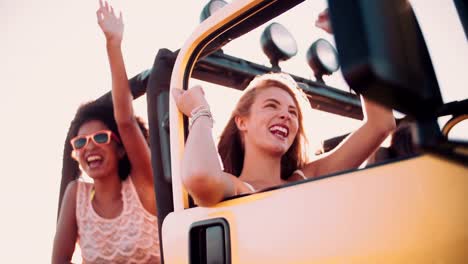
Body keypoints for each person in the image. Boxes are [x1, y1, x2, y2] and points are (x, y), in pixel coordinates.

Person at [172, 11, 396, 206]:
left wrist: (350, 35)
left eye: (293, 112)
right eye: (271, 105)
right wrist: (200, 113)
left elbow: (381, 124)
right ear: (242, 121)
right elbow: (199, 176)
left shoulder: (307, 178)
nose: (285, 115)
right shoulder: (235, 187)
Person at [52, 1, 160, 263]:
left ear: (121, 148)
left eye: (100, 138)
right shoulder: (76, 196)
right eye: (81, 142)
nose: (90, 147)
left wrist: (113, 44)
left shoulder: (141, 183)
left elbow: (124, 120)